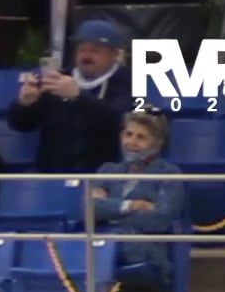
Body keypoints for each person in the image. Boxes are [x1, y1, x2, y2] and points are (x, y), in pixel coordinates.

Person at [7, 18, 133, 175]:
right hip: (52, 173)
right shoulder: (57, 79)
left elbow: (121, 119)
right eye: (82, 50)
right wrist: (25, 104)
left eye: (95, 51)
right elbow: (21, 125)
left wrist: (79, 96)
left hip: (101, 175)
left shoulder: (128, 81)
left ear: (114, 54)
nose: (86, 56)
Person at [90, 110, 184, 283]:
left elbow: (158, 220)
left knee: (93, 249)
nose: (132, 142)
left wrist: (109, 212)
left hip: (145, 248)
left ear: (156, 144)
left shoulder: (170, 174)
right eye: (129, 134)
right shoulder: (108, 170)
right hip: (105, 241)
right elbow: (90, 209)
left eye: (141, 137)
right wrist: (131, 206)